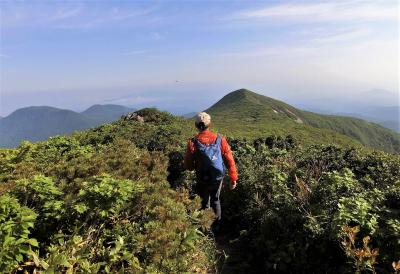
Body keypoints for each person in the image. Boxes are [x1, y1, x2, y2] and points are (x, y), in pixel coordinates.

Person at [184, 112, 238, 223]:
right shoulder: (219, 139)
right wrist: (233, 178)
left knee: (204, 202)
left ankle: (205, 228)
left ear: (196, 125)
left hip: (202, 177)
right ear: (210, 124)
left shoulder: (193, 142)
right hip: (217, 177)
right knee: (215, 200)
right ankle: (216, 226)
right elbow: (229, 160)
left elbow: (188, 166)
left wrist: (195, 165)